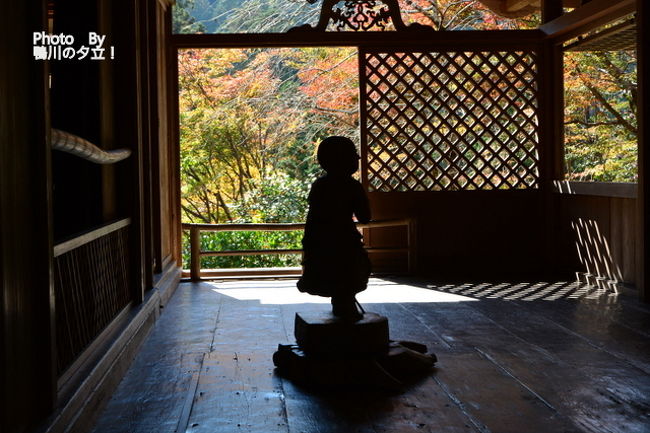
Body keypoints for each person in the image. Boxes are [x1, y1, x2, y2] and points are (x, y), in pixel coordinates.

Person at [297, 136, 371, 321]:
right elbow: (365, 217)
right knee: (348, 278)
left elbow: (313, 218)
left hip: (322, 241)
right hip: (345, 242)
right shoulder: (352, 186)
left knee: (332, 278)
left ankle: (342, 308)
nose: (358, 158)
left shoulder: (320, 185)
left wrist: (310, 243)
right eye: (354, 154)